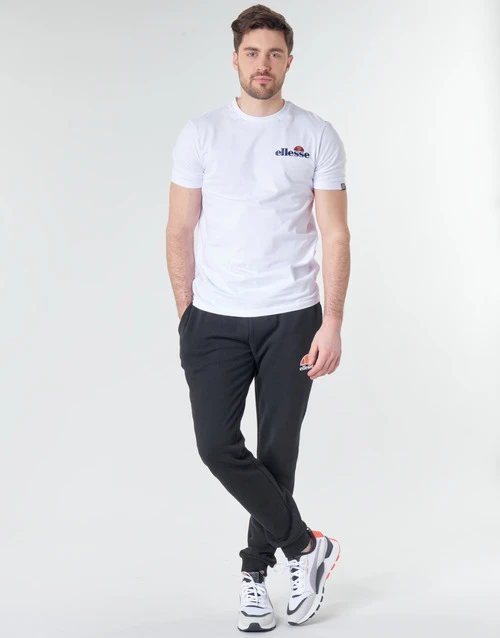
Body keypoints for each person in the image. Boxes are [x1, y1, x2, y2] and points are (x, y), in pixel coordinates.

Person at [166, 4, 350, 631]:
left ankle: (254, 573)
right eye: (252, 53)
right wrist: (187, 313)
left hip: (292, 317)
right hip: (214, 319)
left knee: (276, 453)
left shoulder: (316, 134)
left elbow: (335, 234)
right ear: (235, 59)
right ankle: (306, 546)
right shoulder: (201, 134)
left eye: (274, 53)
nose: (262, 64)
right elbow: (180, 228)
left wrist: (332, 321)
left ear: (289, 61)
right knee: (217, 446)